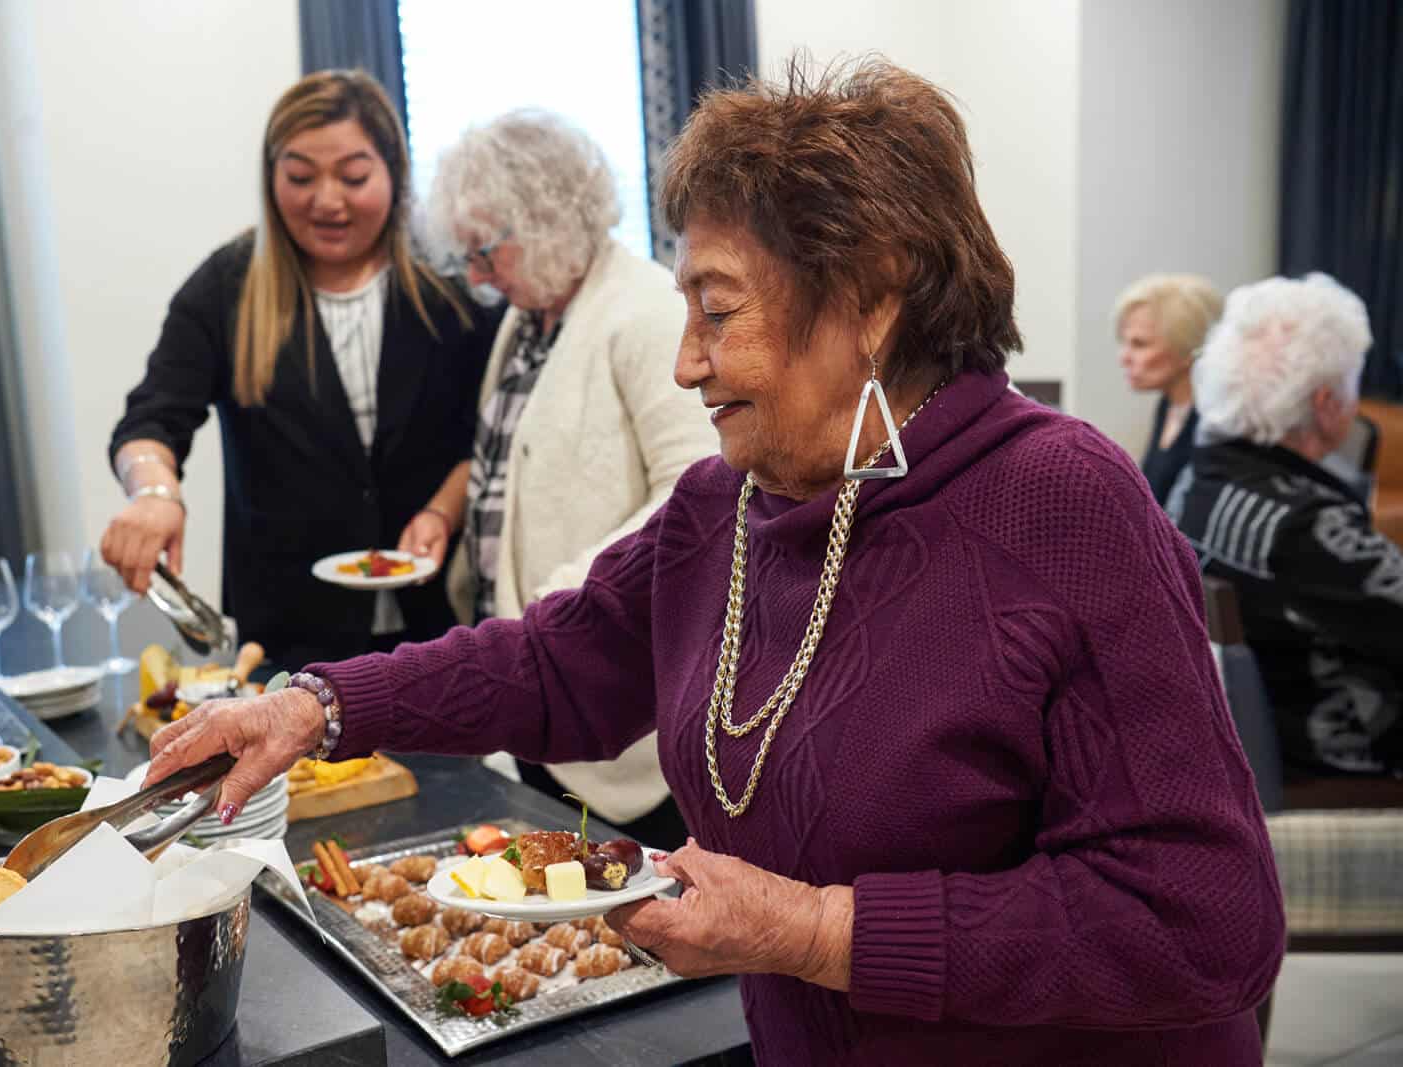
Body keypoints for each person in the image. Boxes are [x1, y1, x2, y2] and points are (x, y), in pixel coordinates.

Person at [145, 59, 1283, 1064]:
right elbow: (552, 667)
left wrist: (811, 931)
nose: (688, 362)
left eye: (717, 311)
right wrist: (316, 703)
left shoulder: (1060, 503)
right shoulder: (725, 507)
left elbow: (1200, 917)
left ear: (873, 301)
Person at [103, 71, 499, 670]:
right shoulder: (228, 288)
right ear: (271, 179)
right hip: (287, 637)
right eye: (300, 177)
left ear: (394, 170)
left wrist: (443, 511)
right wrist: (155, 493)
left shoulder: (449, 283)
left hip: (441, 624)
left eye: (354, 176)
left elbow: (495, 427)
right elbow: (152, 418)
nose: (327, 200)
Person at [402, 111, 715, 845]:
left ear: (544, 221)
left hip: (617, 705)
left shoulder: (642, 311)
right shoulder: (530, 318)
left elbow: (700, 490)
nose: (476, 277)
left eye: (484, 252)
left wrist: (575, 585)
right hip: (540, 686)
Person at [1169, 273, 1401, 777]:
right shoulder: (1304, 527)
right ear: (1326, 404)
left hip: (1248, 745)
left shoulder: (1199, 480)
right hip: (1338, 757)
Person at [1112, 273, 1223, 504]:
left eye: (1140, 344)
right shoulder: (1168, 404)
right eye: (1124, 342)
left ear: (1187, 347)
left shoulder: (1214, 422)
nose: (1124, 358)